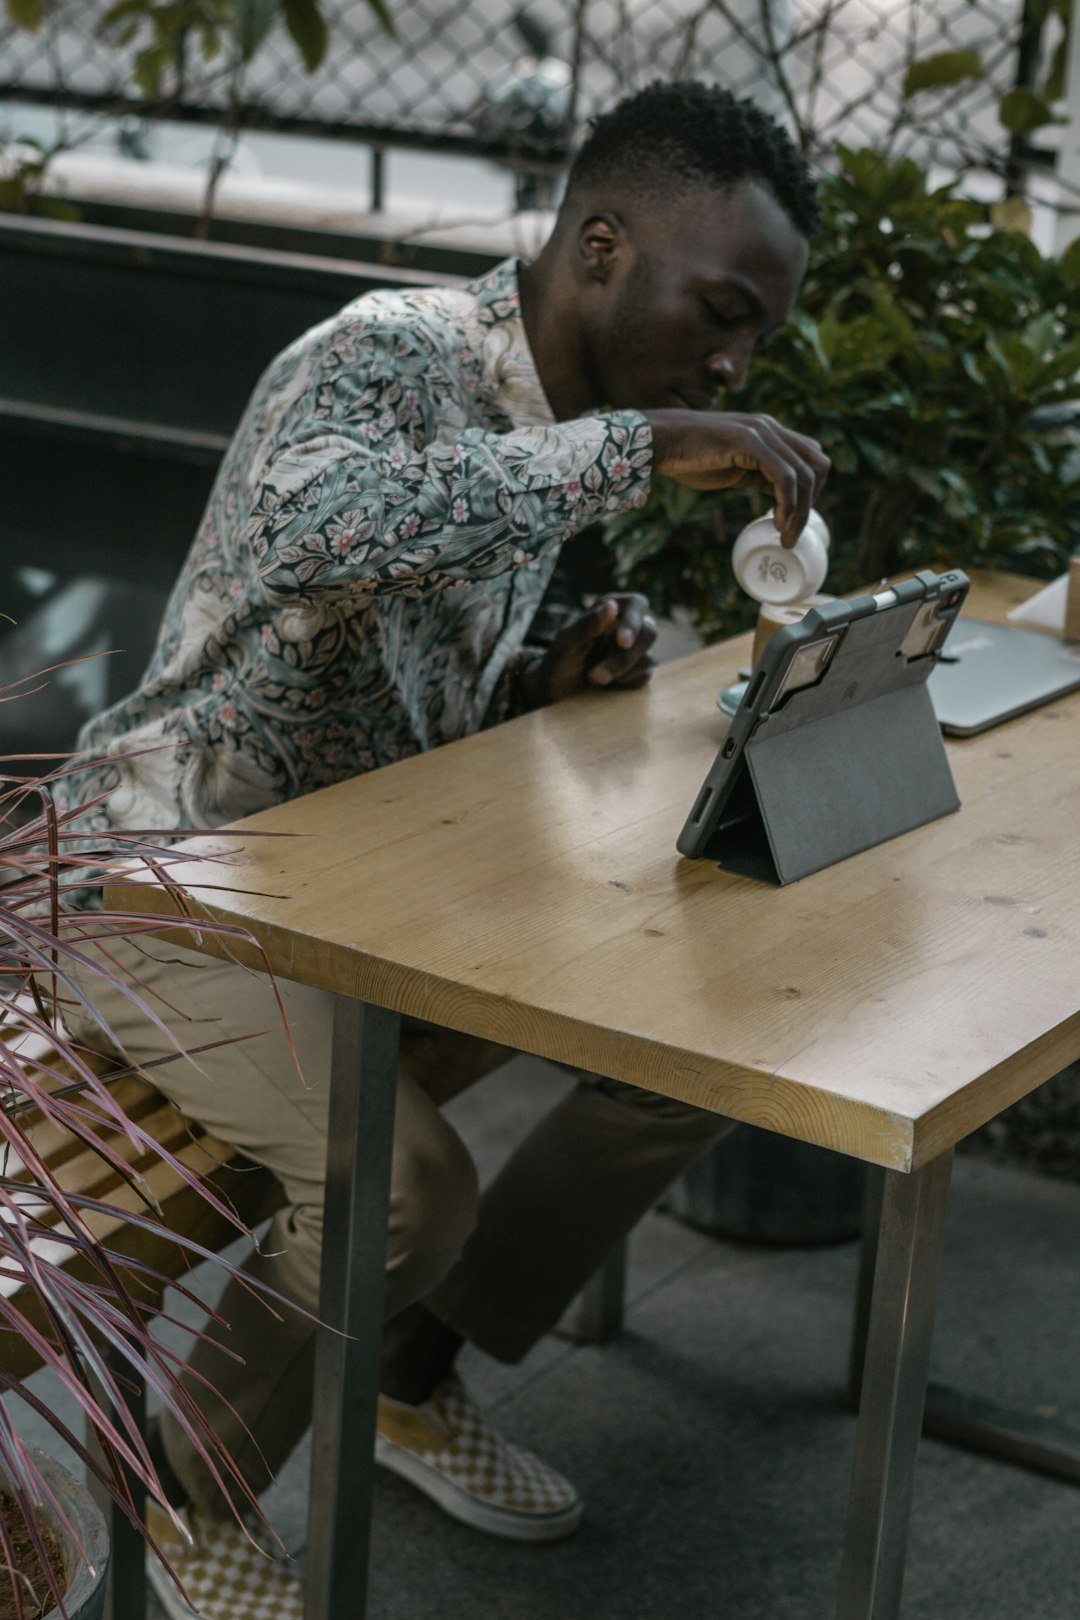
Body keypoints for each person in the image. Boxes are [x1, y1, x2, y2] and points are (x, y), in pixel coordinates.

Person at [56, 78, 827, 1617]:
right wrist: (638, 448)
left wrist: (542, 682)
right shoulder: (386, 354)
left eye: (757, 336)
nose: (735, 362)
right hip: (168, 879)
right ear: (601, 245)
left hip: (369, 888)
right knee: (401, 1190)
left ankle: (409, 1371)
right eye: (720, 310)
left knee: (697, 1035)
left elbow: (387, 664)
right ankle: (187, 1482)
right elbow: (311, 534)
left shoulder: (559, 417)